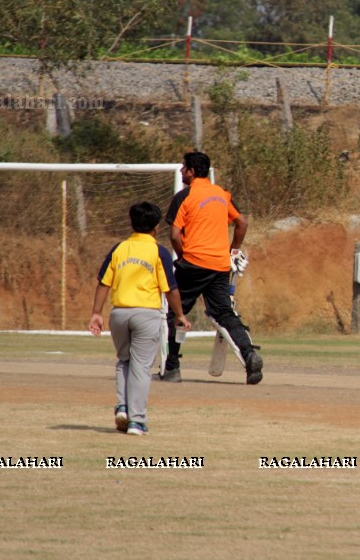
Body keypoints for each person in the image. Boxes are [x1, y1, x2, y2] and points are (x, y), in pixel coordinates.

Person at [162, 151, 263, 384]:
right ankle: (249, 354)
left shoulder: (184, 196)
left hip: (192, 264)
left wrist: (182, 257)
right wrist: (233, 250)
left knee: (176, 313)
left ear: (191, 171)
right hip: (219, 266)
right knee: (224, 313)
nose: (180, 171)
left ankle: (172, 367)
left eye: (183, 167)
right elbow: (242, 222)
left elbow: (175, 235)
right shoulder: (222, 194)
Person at [89, 201, 190, 435]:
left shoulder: (119, 248)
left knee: (124, 361)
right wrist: (180, 315)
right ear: (156, 227)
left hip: (119, 314)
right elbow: (171, 289)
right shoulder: (159, 251)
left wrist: (96, 313)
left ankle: (122, 407)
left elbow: (104, 282)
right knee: (142, 367)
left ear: (131, 223)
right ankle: (136, 420)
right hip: (146, 314)